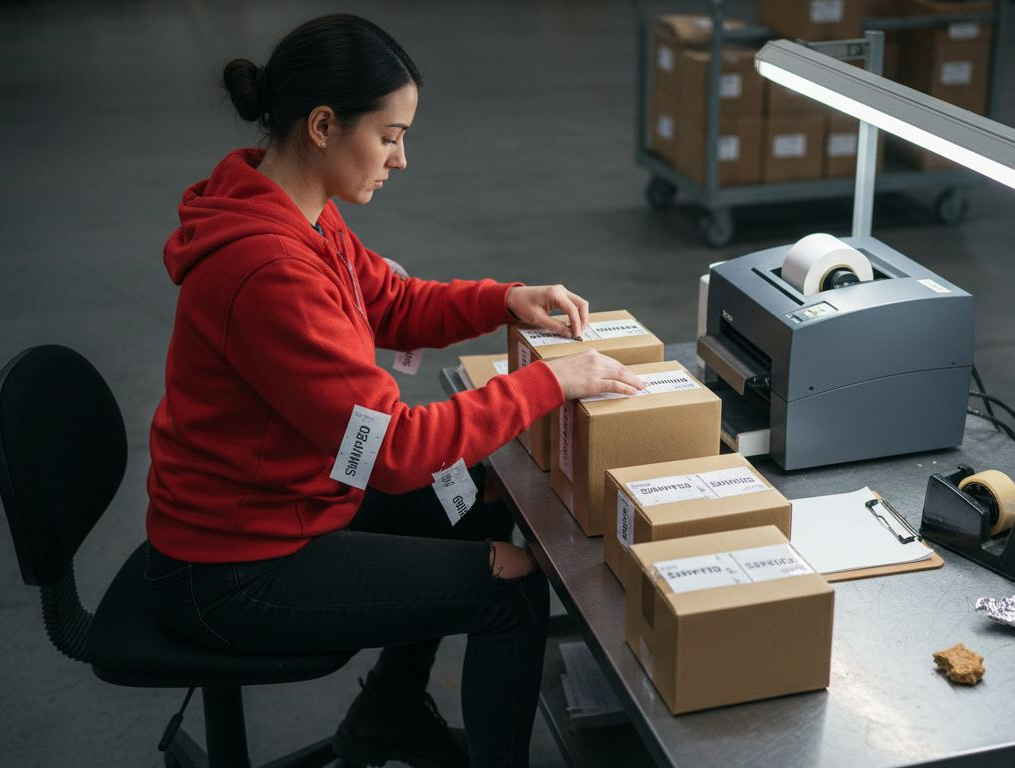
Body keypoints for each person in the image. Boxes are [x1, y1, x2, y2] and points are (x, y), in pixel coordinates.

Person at [142, 13, 643, 768]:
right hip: (236, 567)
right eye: (390, 135)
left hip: (293, 500)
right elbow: (397, 449)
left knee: (471, 499)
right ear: (322, 125)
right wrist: (546, 381)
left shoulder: (297, 213)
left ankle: (388, 714)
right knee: (507, 595)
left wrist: (504, 298)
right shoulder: (266, 270)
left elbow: (391, 304)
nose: (401, 159)